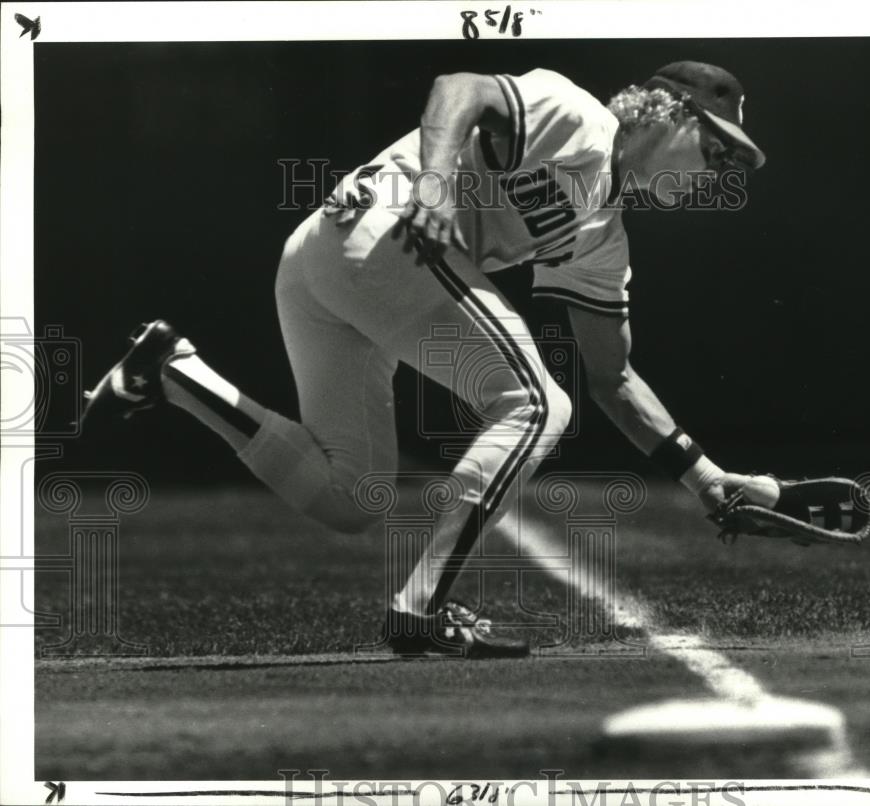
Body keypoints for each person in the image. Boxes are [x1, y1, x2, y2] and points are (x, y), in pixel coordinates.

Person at [81, 61, 773, 658]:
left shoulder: (603, 237)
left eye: (730, 164)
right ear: (670, 111)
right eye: (718, 149)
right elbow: (460, 87)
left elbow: (613, 379)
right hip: (380, 231)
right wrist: (438, 184)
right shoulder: (580, 117)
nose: (719, 173)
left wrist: (708, 480)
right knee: (535, 405)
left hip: (331, 261)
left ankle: (173, 373)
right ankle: (421, 611)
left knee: (352, 497)